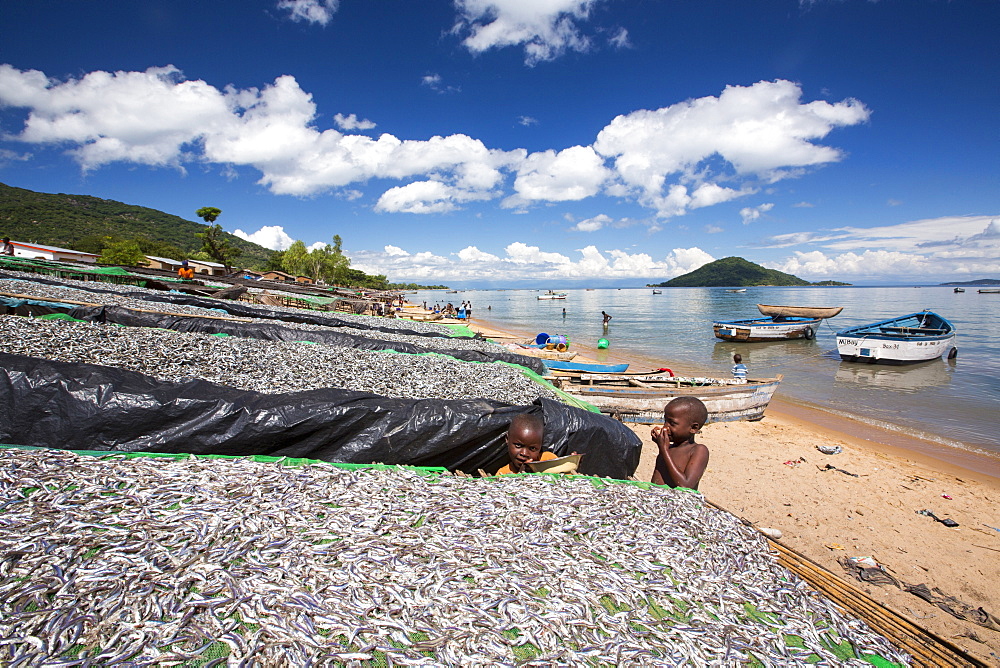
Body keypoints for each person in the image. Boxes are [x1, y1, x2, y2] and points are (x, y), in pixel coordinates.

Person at [651, 397, 709, 490]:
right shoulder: (668, 448)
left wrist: (664, 451)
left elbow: (685, 486)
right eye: (665, 421)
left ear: (693, 428)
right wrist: (663, 450)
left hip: (679, 503)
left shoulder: (698, 450)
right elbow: (656, 483)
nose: (665, 427)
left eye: (672, 423)